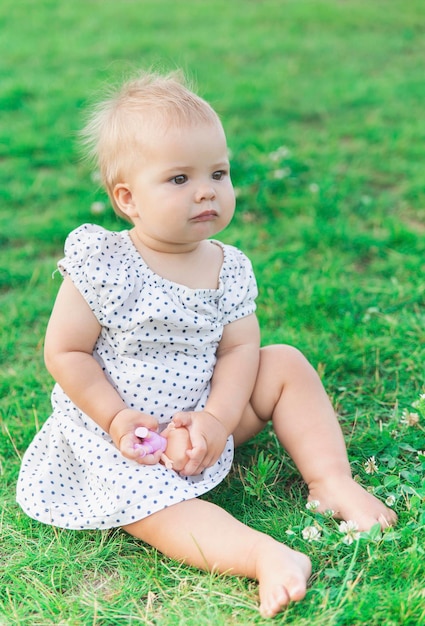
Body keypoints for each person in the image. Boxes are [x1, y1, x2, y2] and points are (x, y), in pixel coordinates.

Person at [16, 70, 396, 619]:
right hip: (124, 436)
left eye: (218, 172)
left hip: (204, 416)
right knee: (147, 511)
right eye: (178, 179)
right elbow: (65, 353)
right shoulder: (104, 263)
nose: (206, 190)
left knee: (283, 362)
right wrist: (119, 419)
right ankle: (261, 555)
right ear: (127, 199)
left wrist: (217, 420)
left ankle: (331, 481)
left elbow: (240, 352)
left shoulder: (229, 267)